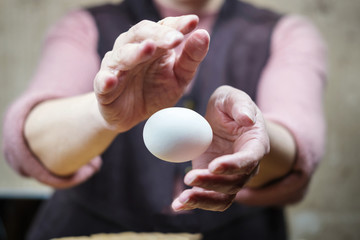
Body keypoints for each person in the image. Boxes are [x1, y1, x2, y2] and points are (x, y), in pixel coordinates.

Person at [2, 0, 327, 239]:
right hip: (85, 231)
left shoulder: (284, 33)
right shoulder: (85, 24)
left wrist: (249, 134)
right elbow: (29, 141)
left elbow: (299, 144)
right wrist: (105, 112)